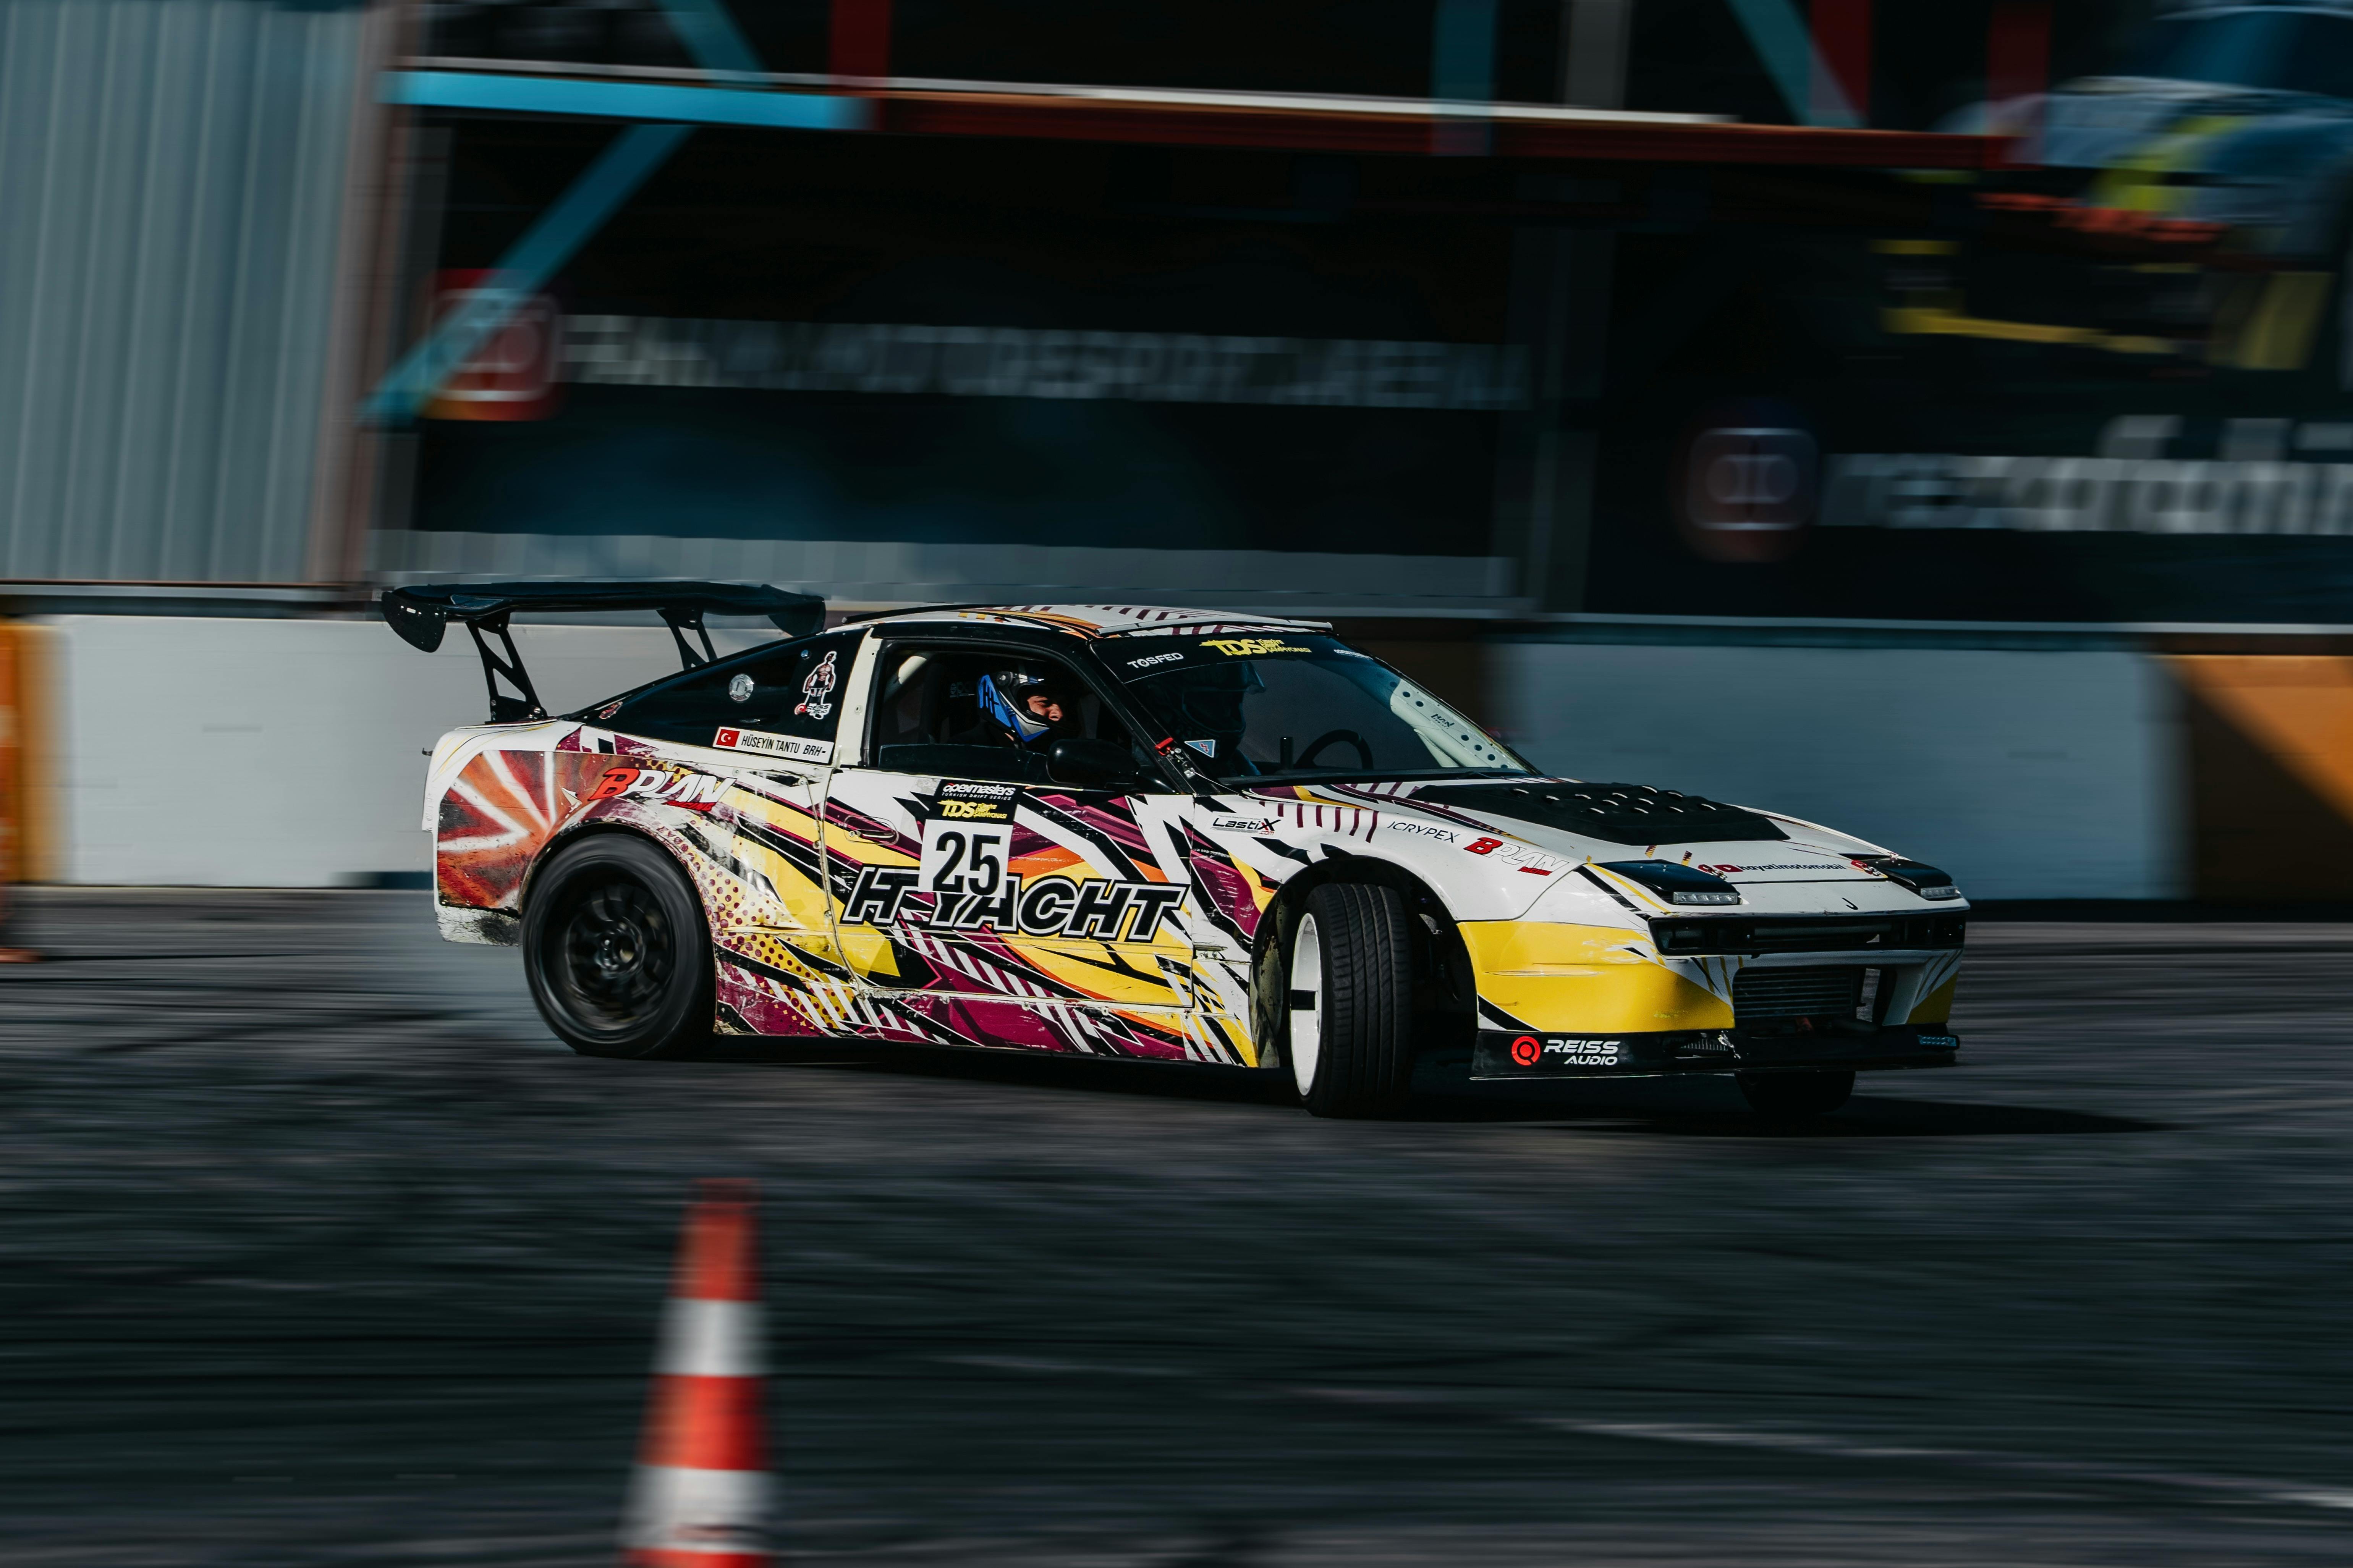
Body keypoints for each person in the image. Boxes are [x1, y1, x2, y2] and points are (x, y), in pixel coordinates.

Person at [960, 664, 1081, 750]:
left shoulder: (1062, 748)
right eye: (1045, 703)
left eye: (1064, 705)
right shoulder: (968, 749)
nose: (1059, 714)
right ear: (1009, 699)